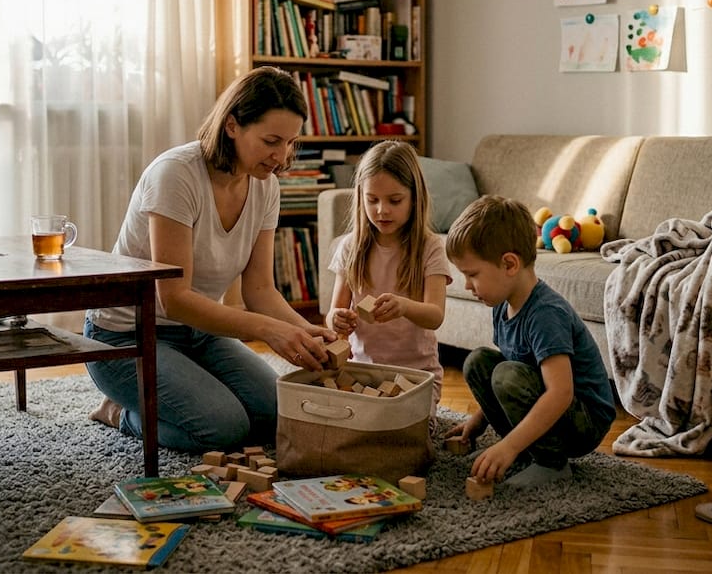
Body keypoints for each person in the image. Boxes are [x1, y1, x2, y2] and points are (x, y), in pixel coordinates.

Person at [85, 66, 339, 452]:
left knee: (277, 415)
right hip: (126, 337)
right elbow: (175, 299)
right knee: (223, 428)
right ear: (232, 125)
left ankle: (169, 397)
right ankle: (119, 412)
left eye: (290, 142)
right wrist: (269, 331)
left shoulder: (266, 186)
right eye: (271, 141)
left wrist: (306, 332)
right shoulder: (176, 175)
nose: (282, 156)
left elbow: (260, 290)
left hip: (198, 333)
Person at [442, 195, 616, 487]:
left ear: (509, 264)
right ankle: (526, 448)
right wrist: (478, 421)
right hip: (556, 407)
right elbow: (517, 370)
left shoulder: (546, 314)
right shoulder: (502, 304)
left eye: (472, 275)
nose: (467, 285)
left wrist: (507, 446)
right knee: (478, 362)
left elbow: (560, 393)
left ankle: (551, 463)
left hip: (584, 421)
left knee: (507, 374)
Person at [326, 140, 450, 417]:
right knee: (350, 423)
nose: (382, 210)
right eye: (372, 200)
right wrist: (336, 319)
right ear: (361, 197)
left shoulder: (430, 247)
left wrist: (404, 306)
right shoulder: (350, 246)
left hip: (418, 377)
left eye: (394, 200)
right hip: (362, 372)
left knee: (407, 431)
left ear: (414, 197)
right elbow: (334, 313)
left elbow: (435, 315)